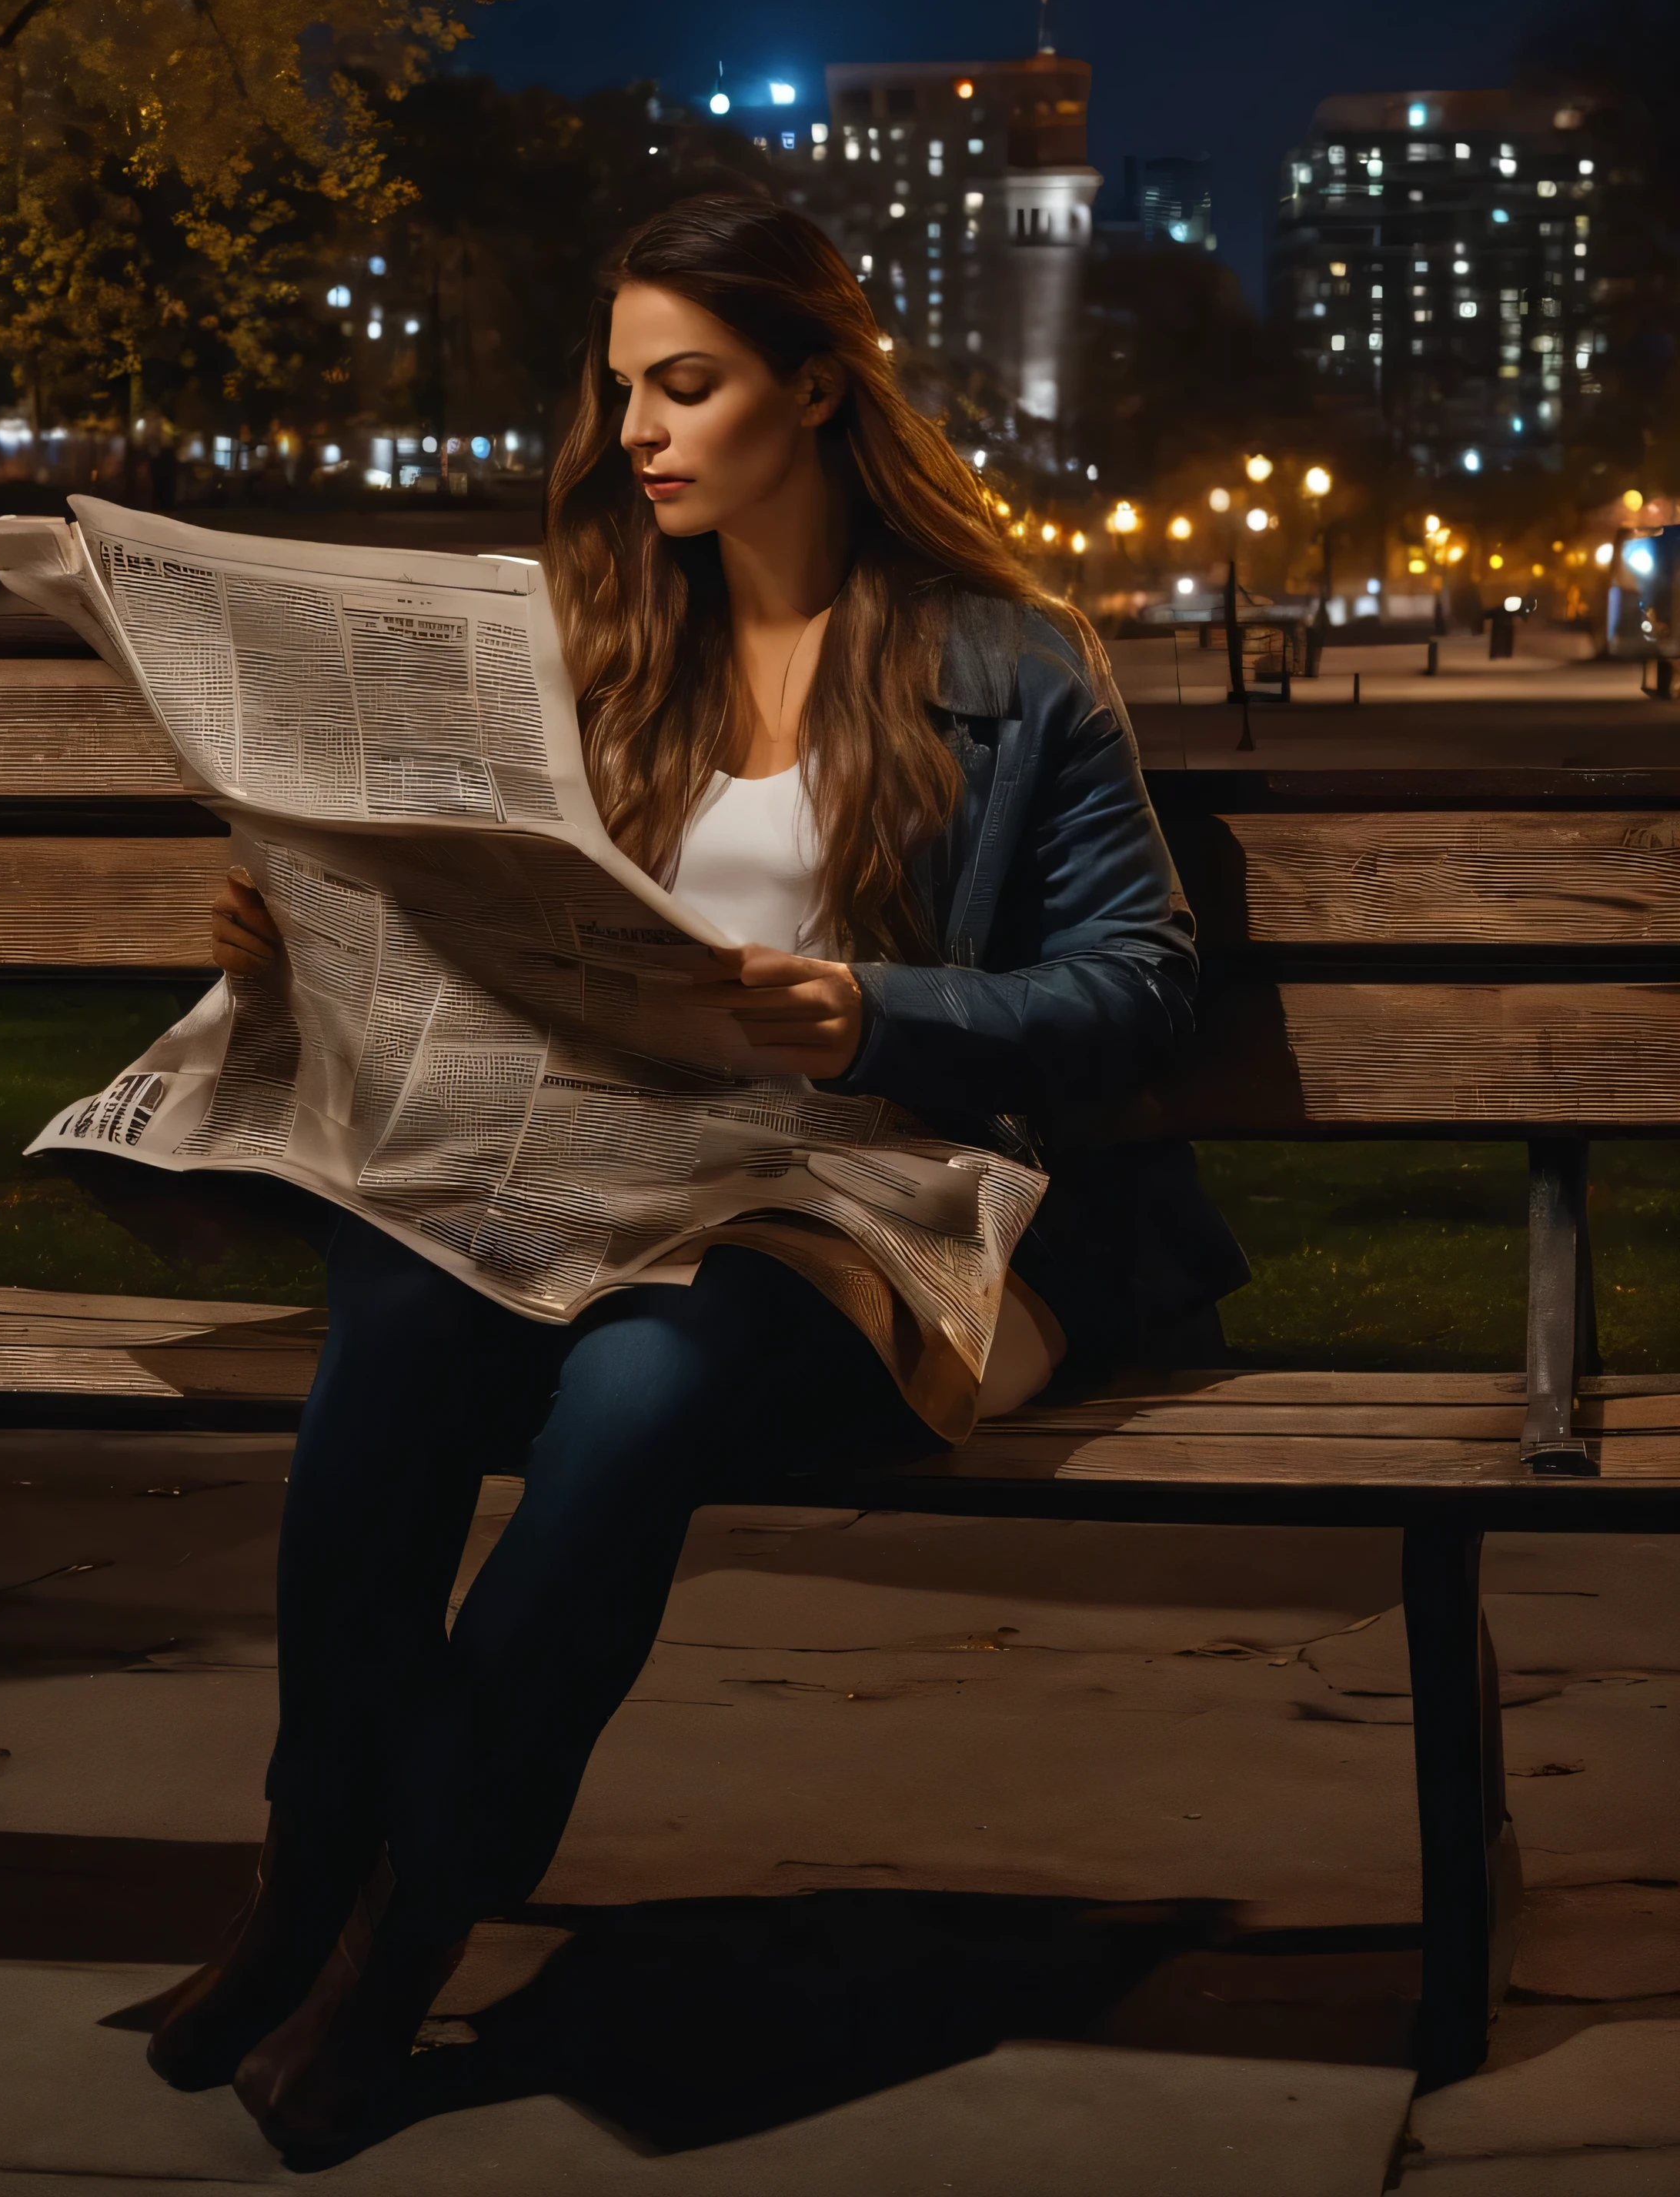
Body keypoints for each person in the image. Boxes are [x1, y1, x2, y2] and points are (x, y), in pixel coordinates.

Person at [132, 195, 1240, 2166]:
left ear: (812, 389)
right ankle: (305, 1872)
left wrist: (869, 1013)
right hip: (581, 1171)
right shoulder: (592, 637)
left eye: (689, 384)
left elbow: (1140, 986)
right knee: (387, 1324)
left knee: (643, 1388)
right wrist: (306, 931)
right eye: (622, 386)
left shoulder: (1010, 664)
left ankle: (403, 1940)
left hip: (870, 1206)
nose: (639, 427)